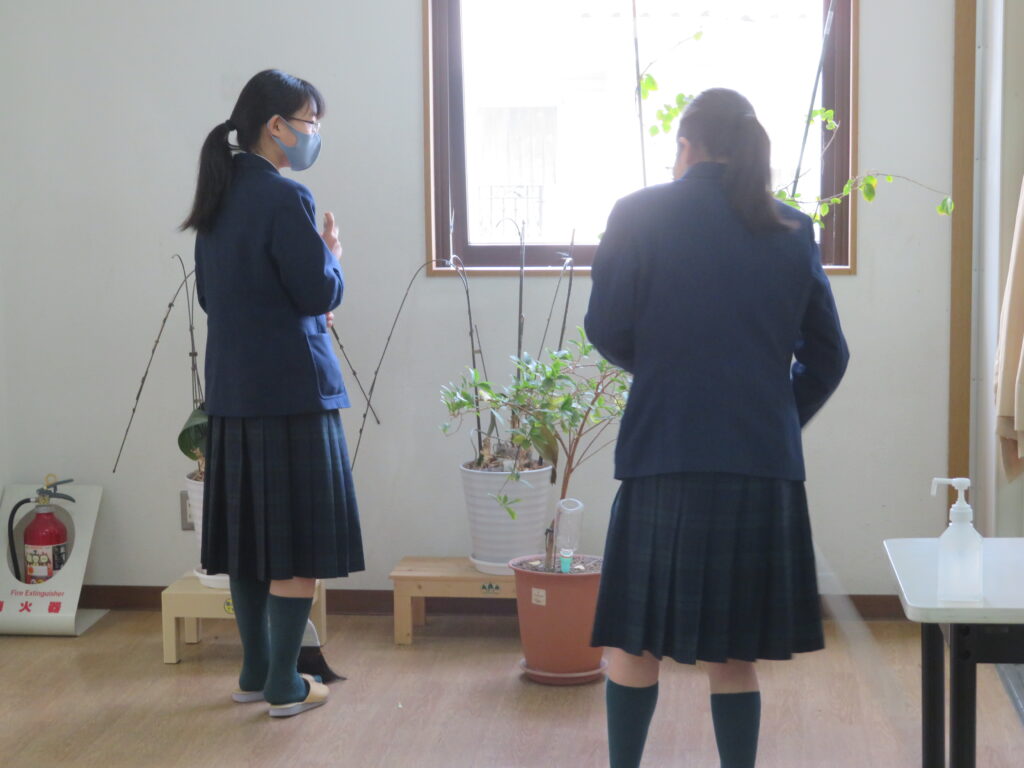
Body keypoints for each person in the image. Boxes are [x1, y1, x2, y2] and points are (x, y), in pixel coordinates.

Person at [585, 88, 849, 767]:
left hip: (663, 450)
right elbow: (829, 355)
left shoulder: (638, 212)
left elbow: (605, 328)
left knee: (635, 641)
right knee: (733, 654)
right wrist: (777, 412)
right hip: (758, 460)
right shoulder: (790, 227)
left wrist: (665, 370)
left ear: (686, 145)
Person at [181, 69, 364, 718]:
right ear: (276, 126)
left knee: (250, 547)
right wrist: (331, 253)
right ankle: (286, 684)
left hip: (233, 396)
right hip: (293, 396)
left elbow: (215, 298)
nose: (314, 135)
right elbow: (317, 290)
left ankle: (256, 671)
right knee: (297, 547)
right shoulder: (287, 197)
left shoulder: (217, 198)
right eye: (310, 122)